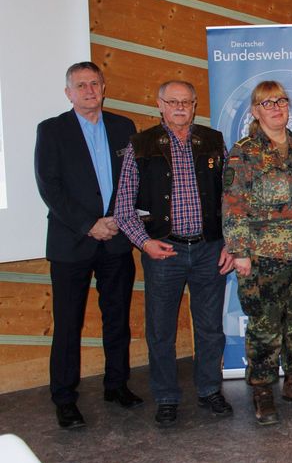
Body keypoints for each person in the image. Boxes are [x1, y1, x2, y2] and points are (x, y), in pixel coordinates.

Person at [115, 80, 236, 427]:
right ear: (160, 104)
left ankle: (210, 389)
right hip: (163, 251)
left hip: (209, 248)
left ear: (195, 105)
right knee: (161, 330)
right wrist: (144, 242)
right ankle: (167, 397)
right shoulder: (141, 145)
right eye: (173, 101)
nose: (180, 107)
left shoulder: (213, 141)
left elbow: (231, 198)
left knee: (211, 328)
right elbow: (123, 206)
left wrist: (230, 242)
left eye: (187, 101)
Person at [34, 61, 140, 429]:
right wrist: (88, 225)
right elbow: (50, 187)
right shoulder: (51, 130)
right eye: (80, 85)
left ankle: (117, 385)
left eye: (94, 83)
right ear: (69, 93)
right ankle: (64, 398)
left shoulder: (123, 127)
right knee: (67, 324)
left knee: (117, 319)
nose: (89, 90)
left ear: (104, 87)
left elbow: (132, 181)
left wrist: (117, 221)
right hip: (72, 243)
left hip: (116, 239)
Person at [222, 81, 292, 425]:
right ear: (255, 111)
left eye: (281, 101)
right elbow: (233, 206)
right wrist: (239, 252)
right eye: (267, 103)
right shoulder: (243, 151)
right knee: (264, 326)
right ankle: (263, 389)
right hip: (263, 256)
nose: (276, 107)